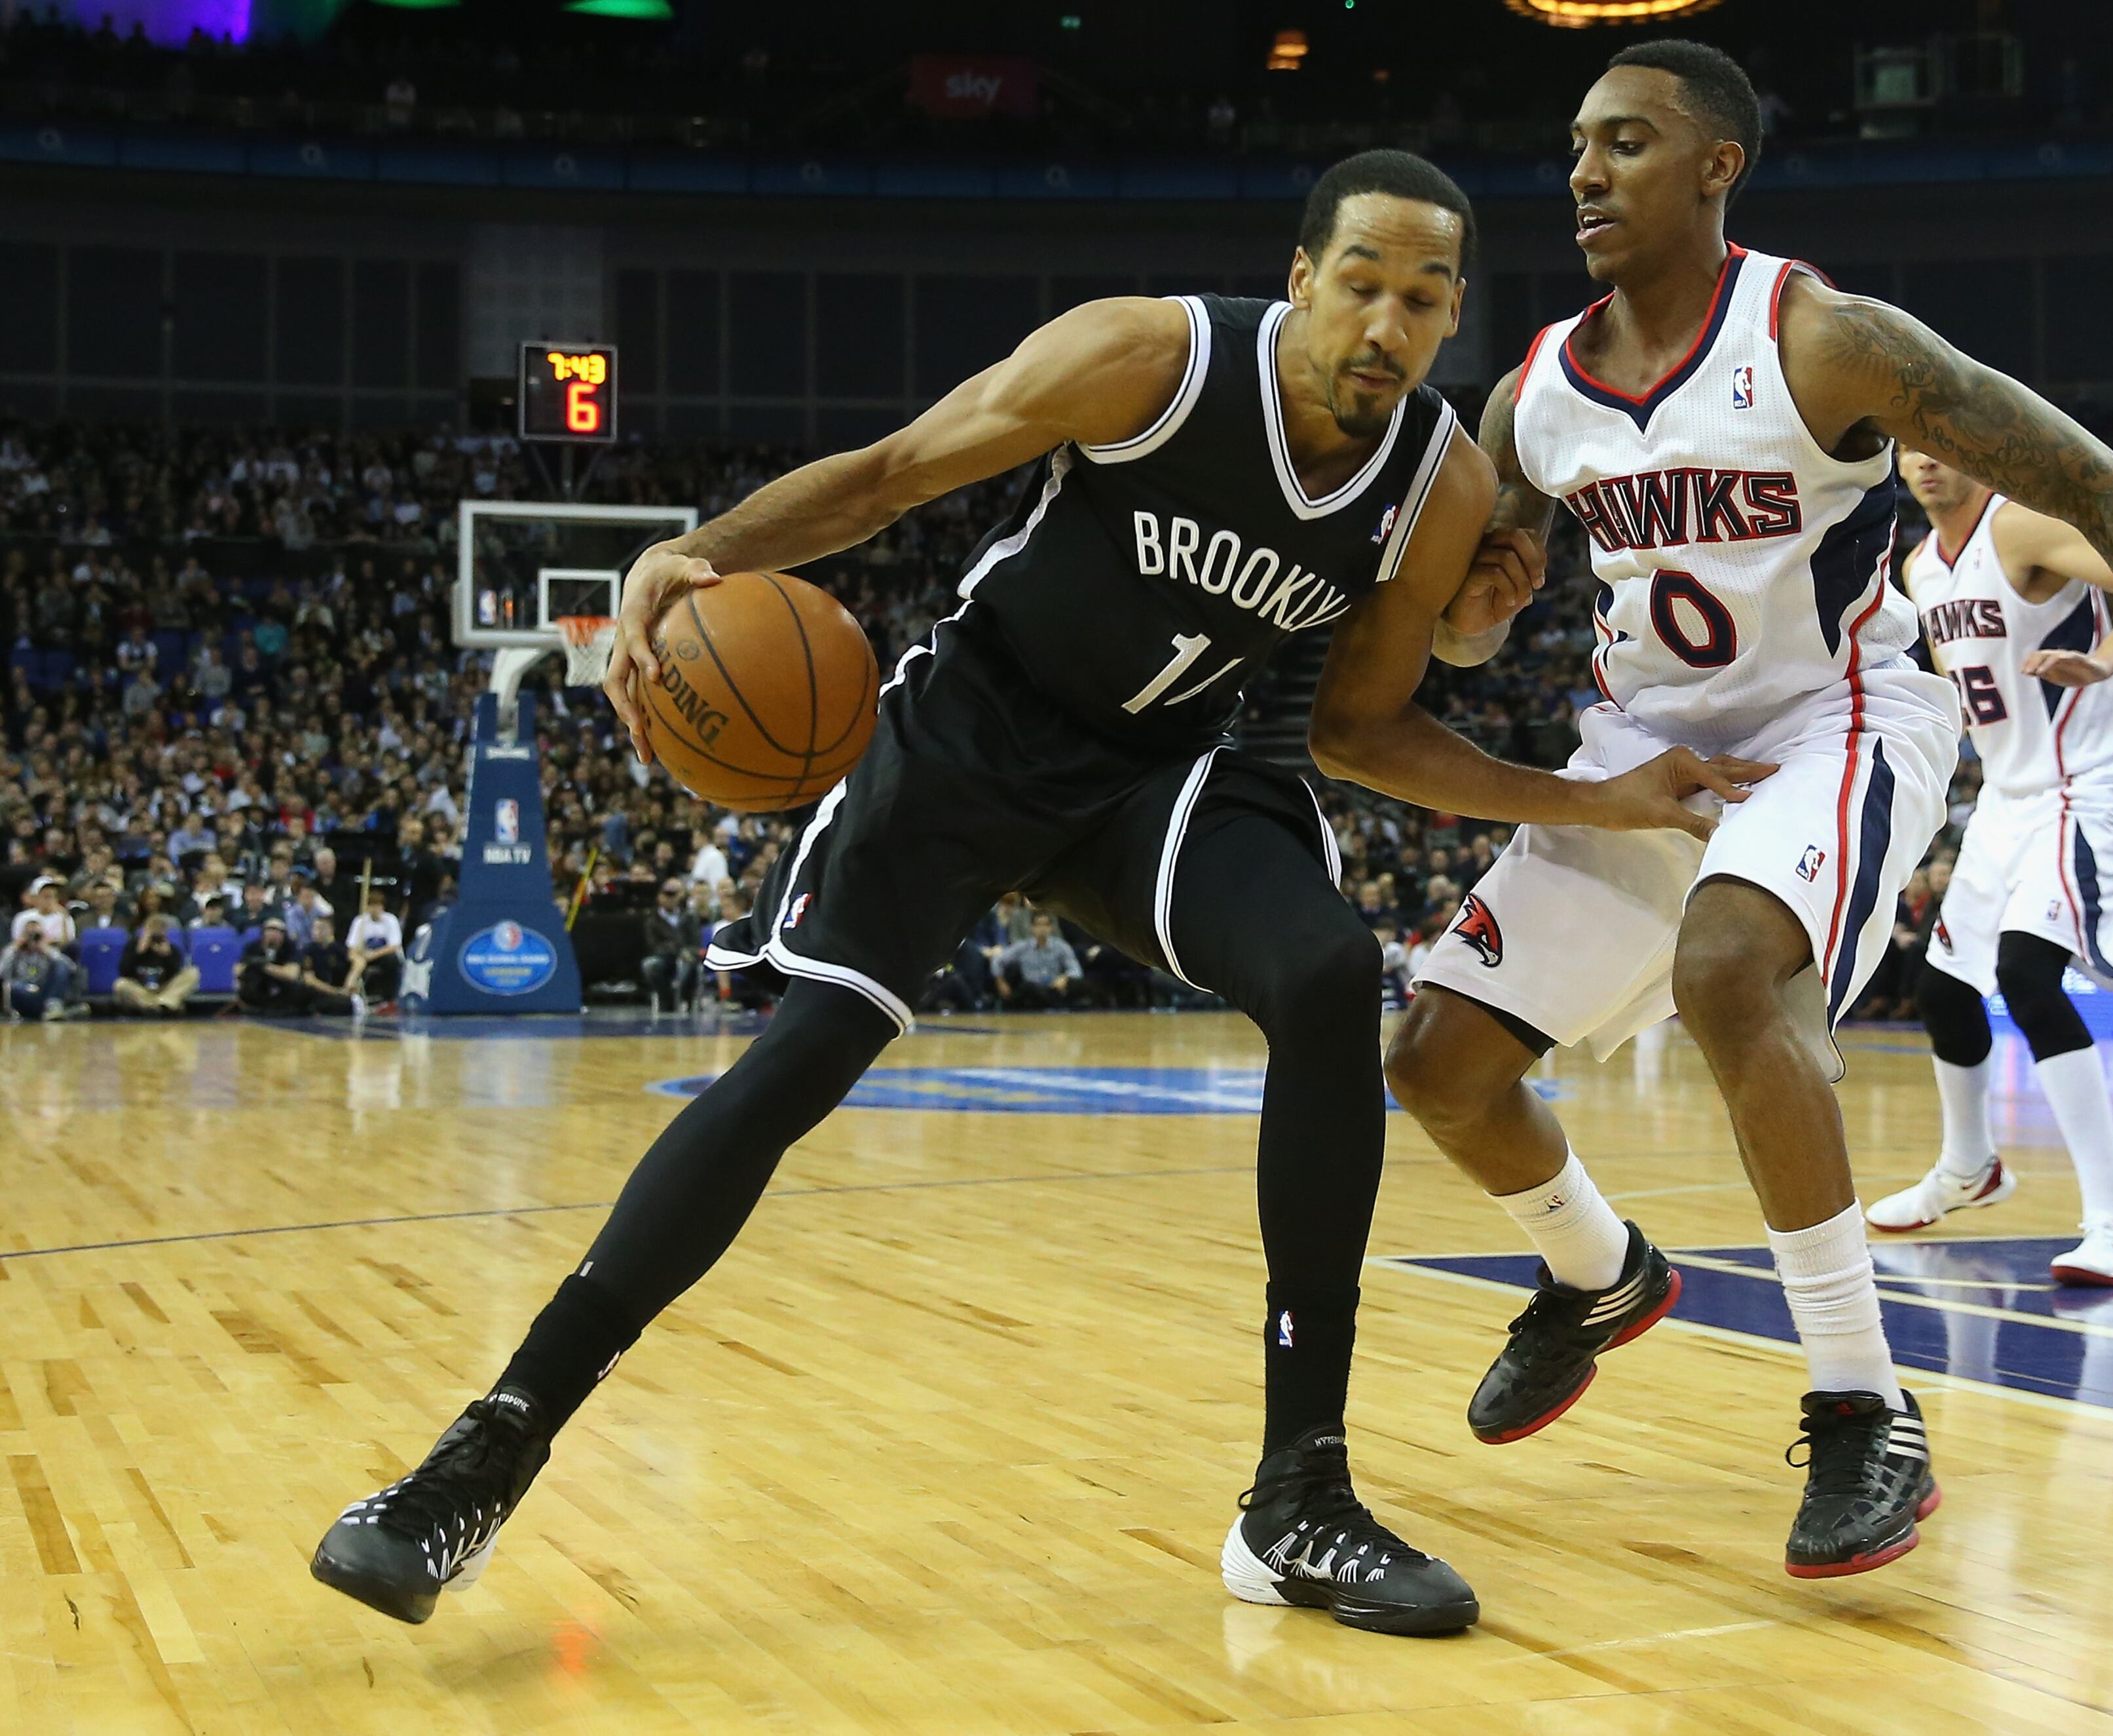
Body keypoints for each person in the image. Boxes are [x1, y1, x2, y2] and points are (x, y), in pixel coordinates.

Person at [311, 149, 1728, 1636]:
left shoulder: (1435, 476)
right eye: (1361, 282)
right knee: (798, 1062)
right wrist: (702, 547)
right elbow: (887, 477)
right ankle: (483, 1455)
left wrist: (1581, 789)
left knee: (1320, 974)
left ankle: (1296, 1497)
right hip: (972, 740)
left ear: (1448, 319)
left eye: (1424, 297)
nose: (1387, 321)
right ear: (1301, 278)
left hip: (1167, 774)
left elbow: (1357, 724)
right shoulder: (1148, 358)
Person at [1382, 39, 2113, 1579]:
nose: (1582, 171)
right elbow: (1467, 627)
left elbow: (2099, 486)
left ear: (1715, 166)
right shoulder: (1532, 396)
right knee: (1436, 1063)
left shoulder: (1817, 338)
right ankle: (1599, 1272)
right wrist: (1474, 613)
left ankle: (1861, 1403)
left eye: (1625, 142)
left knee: (1725, 975)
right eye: (1574, 145)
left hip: (1835, 716)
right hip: (1645, 743)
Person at [1868, 449, 2113, 1286]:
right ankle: (1970, 1168)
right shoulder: (1921, 565)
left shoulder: (2022, 526)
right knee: (1943, 990)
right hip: (2009, 792)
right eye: (1909, 451)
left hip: (2092, 780)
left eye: (1940, 448)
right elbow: (1958, 690)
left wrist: (2108, 660)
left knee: (2029, 979)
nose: (1924, 464)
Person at [996, 909, 1082, 1009]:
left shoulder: (1061, 946)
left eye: (1046, 925)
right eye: (1039, 925)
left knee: (1079, 985)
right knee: (1026, 988)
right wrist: (1001, 982)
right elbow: (998, 961)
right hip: (1033, 990)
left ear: (1051, 927)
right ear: (1032, 927)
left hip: (1054, 988)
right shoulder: (1023, 947)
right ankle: (1057, 1007)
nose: (1042, 929)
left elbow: (1076, 970)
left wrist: (1065, 978)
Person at [114, 914, 199, 1015]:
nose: (155, 933)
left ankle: (160, 1004)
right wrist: (138, 953)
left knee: (193, 973)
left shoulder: (172, 949)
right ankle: (160, 1005)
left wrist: (168, 956)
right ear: (145, 930)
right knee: (120, 984)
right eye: (152, 929)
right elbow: (124, 972)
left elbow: (176, 974)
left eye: (160, 929)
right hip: (142, 989)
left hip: (165, 989)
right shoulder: (133, 947)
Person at [3, 909, 78, 1019]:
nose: (33, 939)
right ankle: (62, 1012)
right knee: (13, 986)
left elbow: (71, 968)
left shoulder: (49, 952)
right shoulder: (15, 952)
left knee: (60, 966)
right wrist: (15, 947)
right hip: (24, 992)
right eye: (29, 934)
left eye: (37, 935)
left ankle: (53, 1009)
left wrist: (46, 949)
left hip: (46, 993)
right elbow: (3, 972)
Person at [640, 878, 701, 1011]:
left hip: (688, 959)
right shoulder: (652, 920)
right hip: (665, 958)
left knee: (687, 964)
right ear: (659, 897)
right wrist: (678, 951)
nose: (670, 899)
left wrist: (687, 952)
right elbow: (654, 946)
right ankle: (667, 998)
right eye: (666, 895)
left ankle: (682, 997)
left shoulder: (689, 917)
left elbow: (696, 942)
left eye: (673, 895)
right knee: (649, 965)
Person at [344, 893, 405, 1004]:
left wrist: (374, 954)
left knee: (391, 961)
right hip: (365, 955)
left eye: (378, 906)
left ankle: (389, 999)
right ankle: (351, 990)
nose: (375, 909)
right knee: (354, 963)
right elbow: (352, 945)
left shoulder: (391, 920)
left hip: (384, 955)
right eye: (372, 905)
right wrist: (359, 956)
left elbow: (394, 946)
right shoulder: (360, 922)